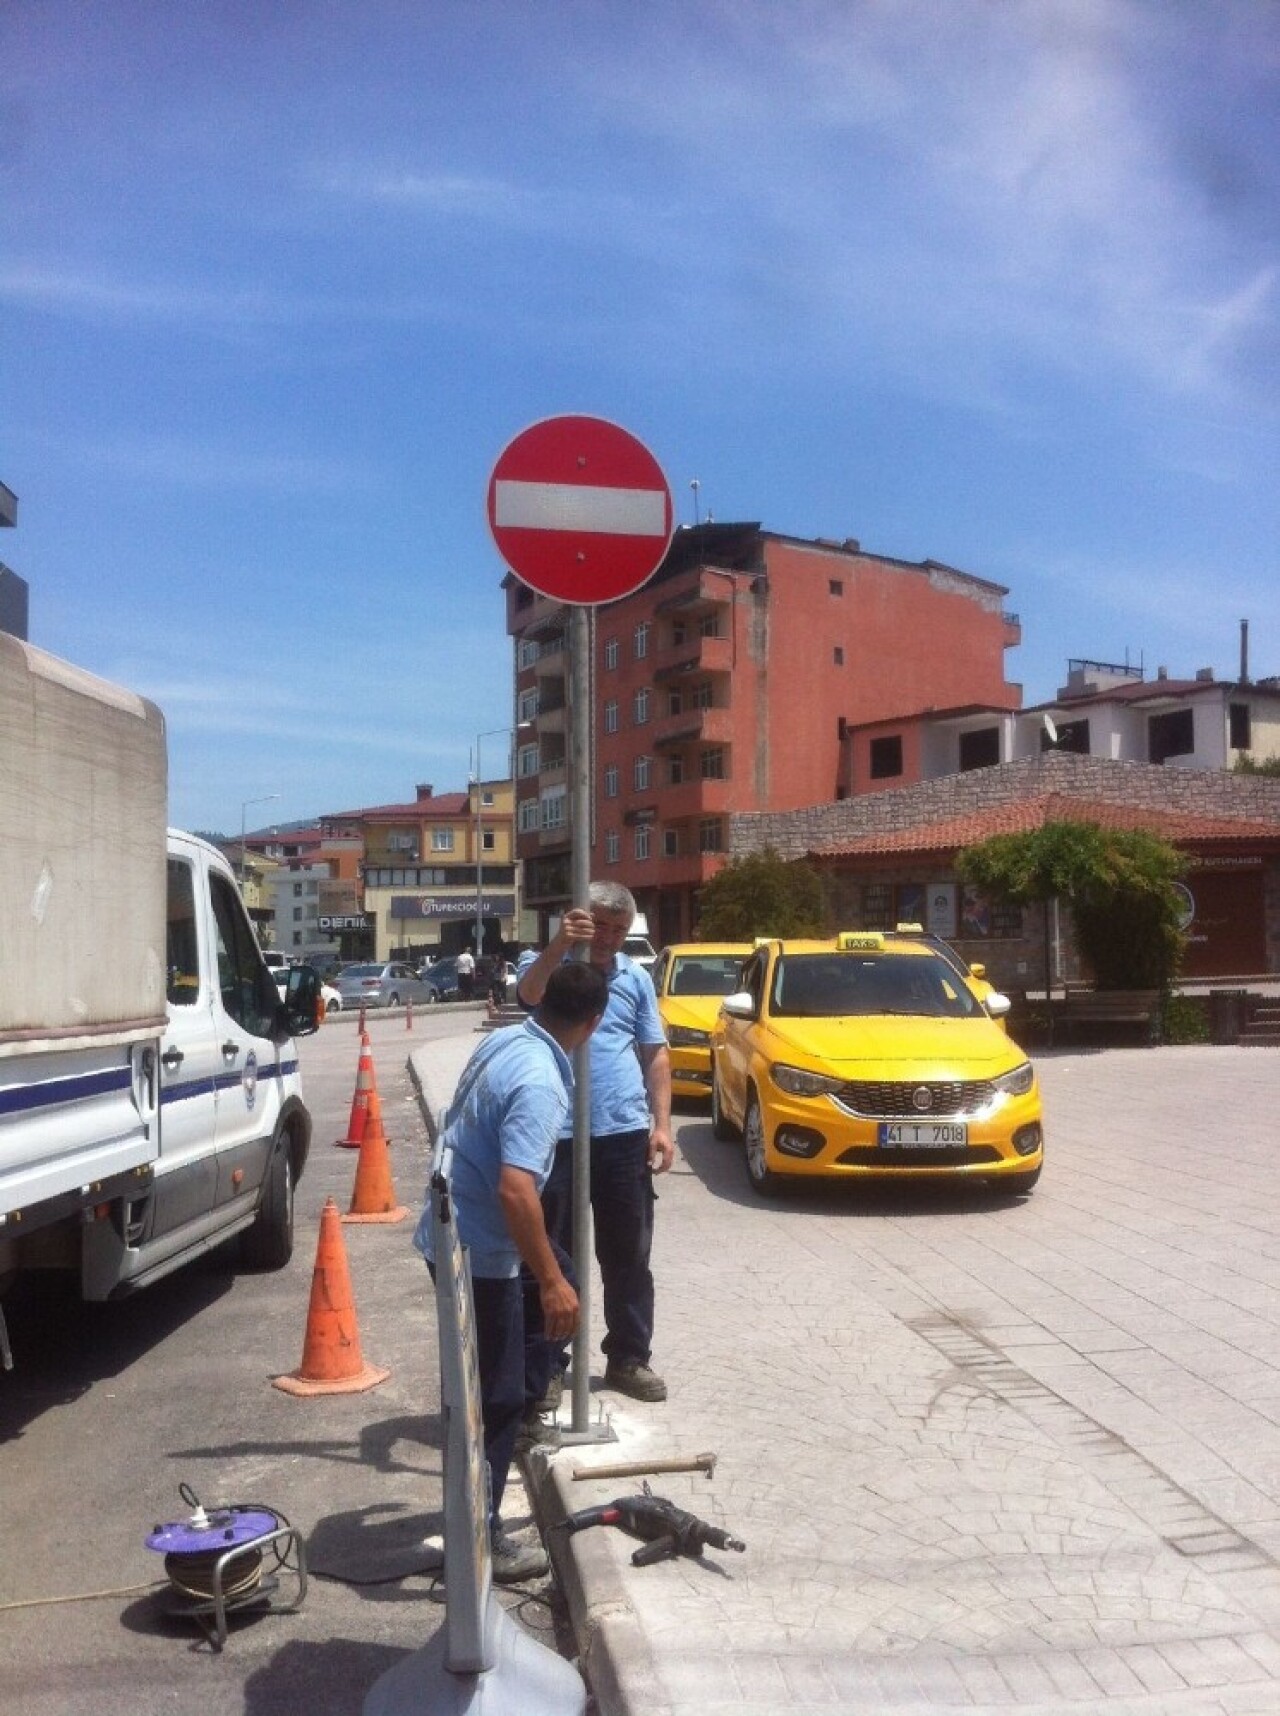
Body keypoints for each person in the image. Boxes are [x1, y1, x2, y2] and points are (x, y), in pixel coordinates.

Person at [412, 960, 608, 1584]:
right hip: (477, 1251)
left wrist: (556, 1274)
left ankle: (526, 1405)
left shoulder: (508, 1037)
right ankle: (481, 1536)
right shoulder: (541, 1084)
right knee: (490, 1397)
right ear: (594, 1023)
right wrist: (547, 1281)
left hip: (454, 1231)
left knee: (564, 1287)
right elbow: (517, 1191)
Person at [516, 881, 674, 1403]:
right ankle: (550, 1365)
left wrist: (662, 1124)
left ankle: (629, 1356)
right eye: (598, 925)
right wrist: (560, 945)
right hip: (555, 1135)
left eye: (616, 929)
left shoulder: (635, 980)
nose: (605, 937)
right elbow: (529, 996)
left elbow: (654, 1053)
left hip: (621, 1134)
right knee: (553, 1255)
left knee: (628, 1252)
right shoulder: (555, 969)